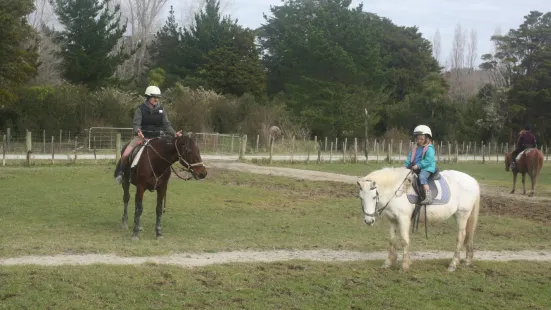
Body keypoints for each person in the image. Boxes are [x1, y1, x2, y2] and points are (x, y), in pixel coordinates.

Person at [115, 86, 182, 184]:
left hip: (157, 138)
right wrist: (139, 132)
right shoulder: (140, 109)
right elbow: (136, 124)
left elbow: (166, 125)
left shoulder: (162, 110)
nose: (156, 99)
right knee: (125, 154)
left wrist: (174, 133)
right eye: (154, 97)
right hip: (141, 137)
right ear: (148, 97)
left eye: (158, 97)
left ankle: (164, 176)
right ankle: (121, 173)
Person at [404, 125, 436, 205]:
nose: (419, 140)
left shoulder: (429, 148)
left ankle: (428, 198)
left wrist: (418, 166)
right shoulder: (415, 148)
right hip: (416, 167)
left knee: (422, 177)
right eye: (418, 139)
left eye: (421, 139)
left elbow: (428, 160)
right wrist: (405, 166)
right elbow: (409, 158)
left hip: (427, 167)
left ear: (427, 138)